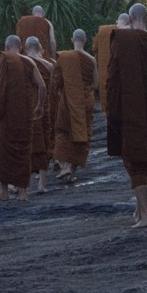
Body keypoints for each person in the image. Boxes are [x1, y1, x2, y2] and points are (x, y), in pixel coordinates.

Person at [106, 3, 147, 228]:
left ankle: (145, 215)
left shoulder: (121, 39)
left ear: (130, 17)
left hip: (128, 105)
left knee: (136, 158)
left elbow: (111, 76)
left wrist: (111, 107)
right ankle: (140, 208)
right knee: (146, 153)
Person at [0, 35, 45, 203]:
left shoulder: (2, 61)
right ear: (21, 48)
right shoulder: (29, 62)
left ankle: (4, 192)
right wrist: (40, 105)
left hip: (4, 115)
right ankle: (23, 193)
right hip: (24, 115)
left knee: (1, 153)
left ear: (6, 48)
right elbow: (41, 85)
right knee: (22, 152)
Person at [53, 28, 98, 183]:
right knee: (81, 133)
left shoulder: (64, 57)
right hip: (85, 100)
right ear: (85, 41)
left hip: (68, 99)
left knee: (64, 132)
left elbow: (57, 81)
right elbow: (96, 83)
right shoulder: (91, 59)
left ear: (72, 40)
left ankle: (65, 167)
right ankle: (71, 172)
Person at [24, 36, 55, 195]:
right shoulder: (49, 65)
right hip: (43, 108)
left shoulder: (22, 63)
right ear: (40, 48)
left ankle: (21, 184)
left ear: (26, 47)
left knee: (25, 144)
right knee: (43, 142)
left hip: (27, 109)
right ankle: (42, 184)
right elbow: (50, 89)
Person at [94, 11, 130, 116]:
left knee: (108, 104)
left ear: (117, 21)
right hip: (120, 72)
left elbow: (95, 49)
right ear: (128, 22)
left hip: (104, 71)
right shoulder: (129, 32)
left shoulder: (102, 31)